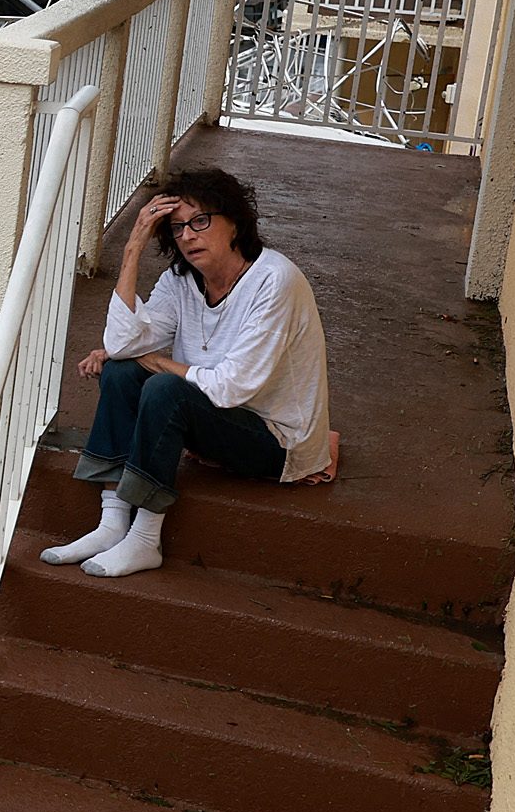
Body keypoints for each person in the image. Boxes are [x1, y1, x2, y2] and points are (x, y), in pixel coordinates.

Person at [42, 165, 332, 579]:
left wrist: (160, 361)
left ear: (234, 222)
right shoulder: (182, 280)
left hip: (276, 441)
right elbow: (125, 345)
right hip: (218, 421)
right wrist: (131, 251)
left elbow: (230, 387)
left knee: (164, 389)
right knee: (121, 372)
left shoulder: (274, 281)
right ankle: (112, 522)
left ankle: (145, 539)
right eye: (177, 228)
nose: (188, 236)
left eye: (200, 221)